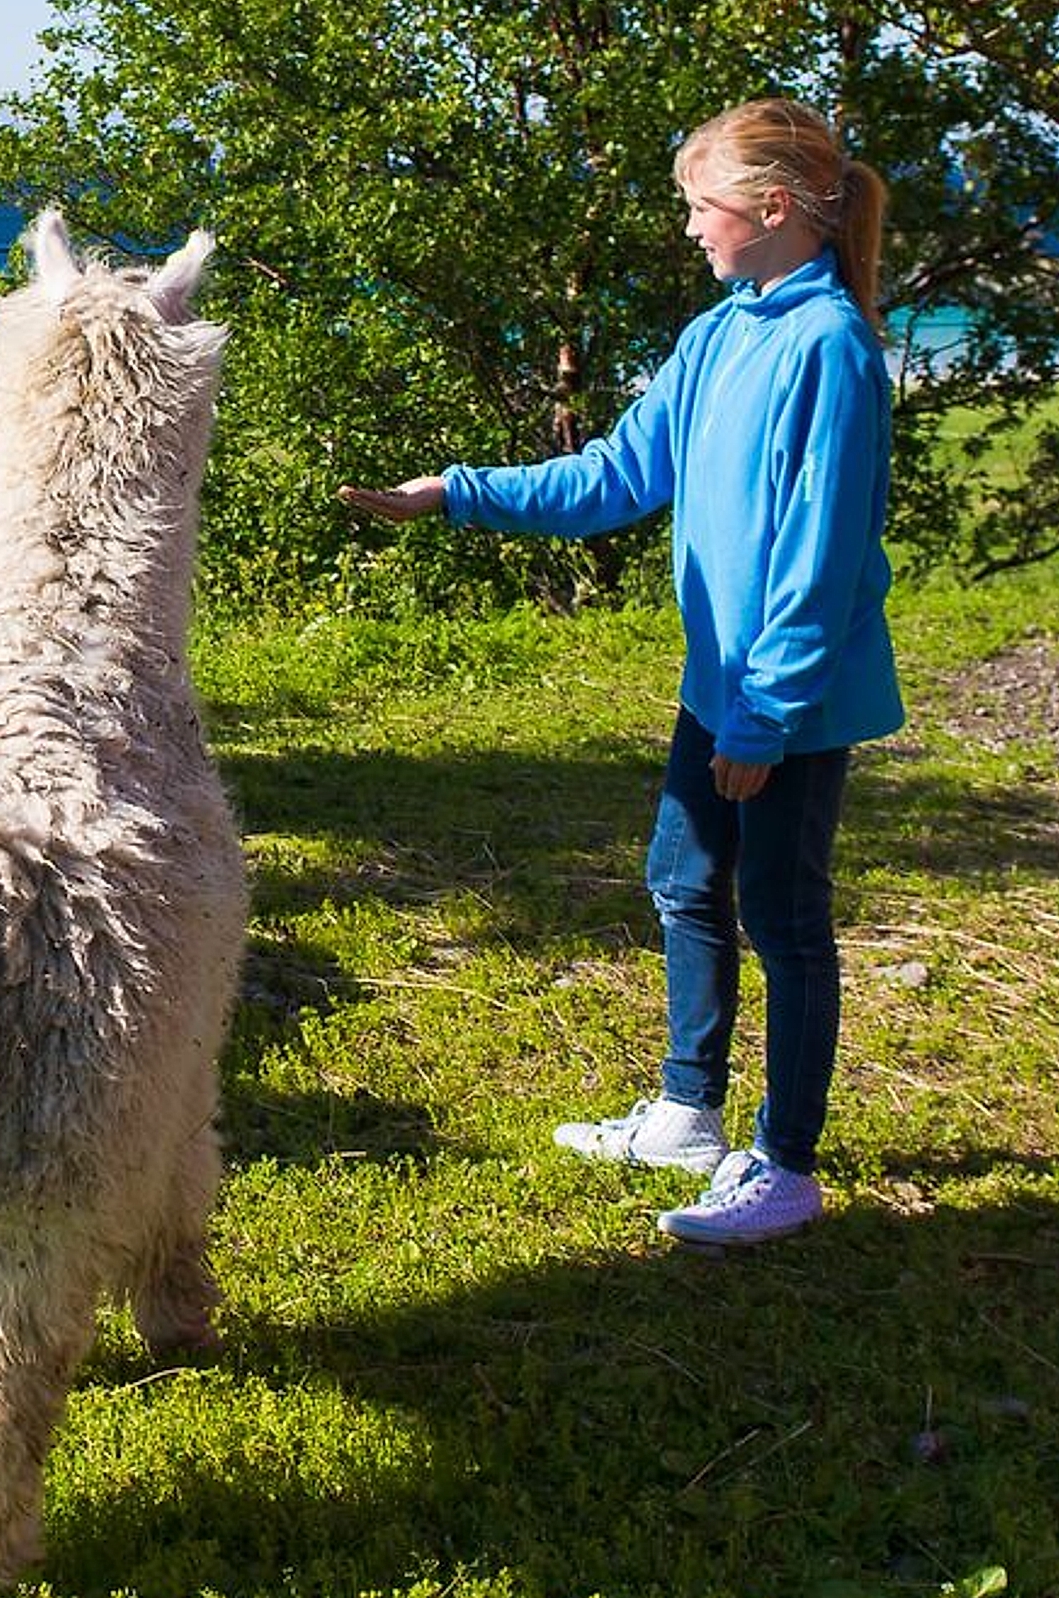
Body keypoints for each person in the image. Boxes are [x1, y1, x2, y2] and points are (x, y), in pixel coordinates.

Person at [338, 98, 901, 1246]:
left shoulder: (829, 351)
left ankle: (785, 1165)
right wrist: (455, 492)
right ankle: (691, 1111)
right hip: (723, 687)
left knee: (784, 921)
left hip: (784, 702)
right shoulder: (723, 332)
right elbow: (613, 477)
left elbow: (821, 557)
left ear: (773, 208)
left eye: (703, 206)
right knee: (684, 885)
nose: (691, 228)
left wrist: (766, 720)